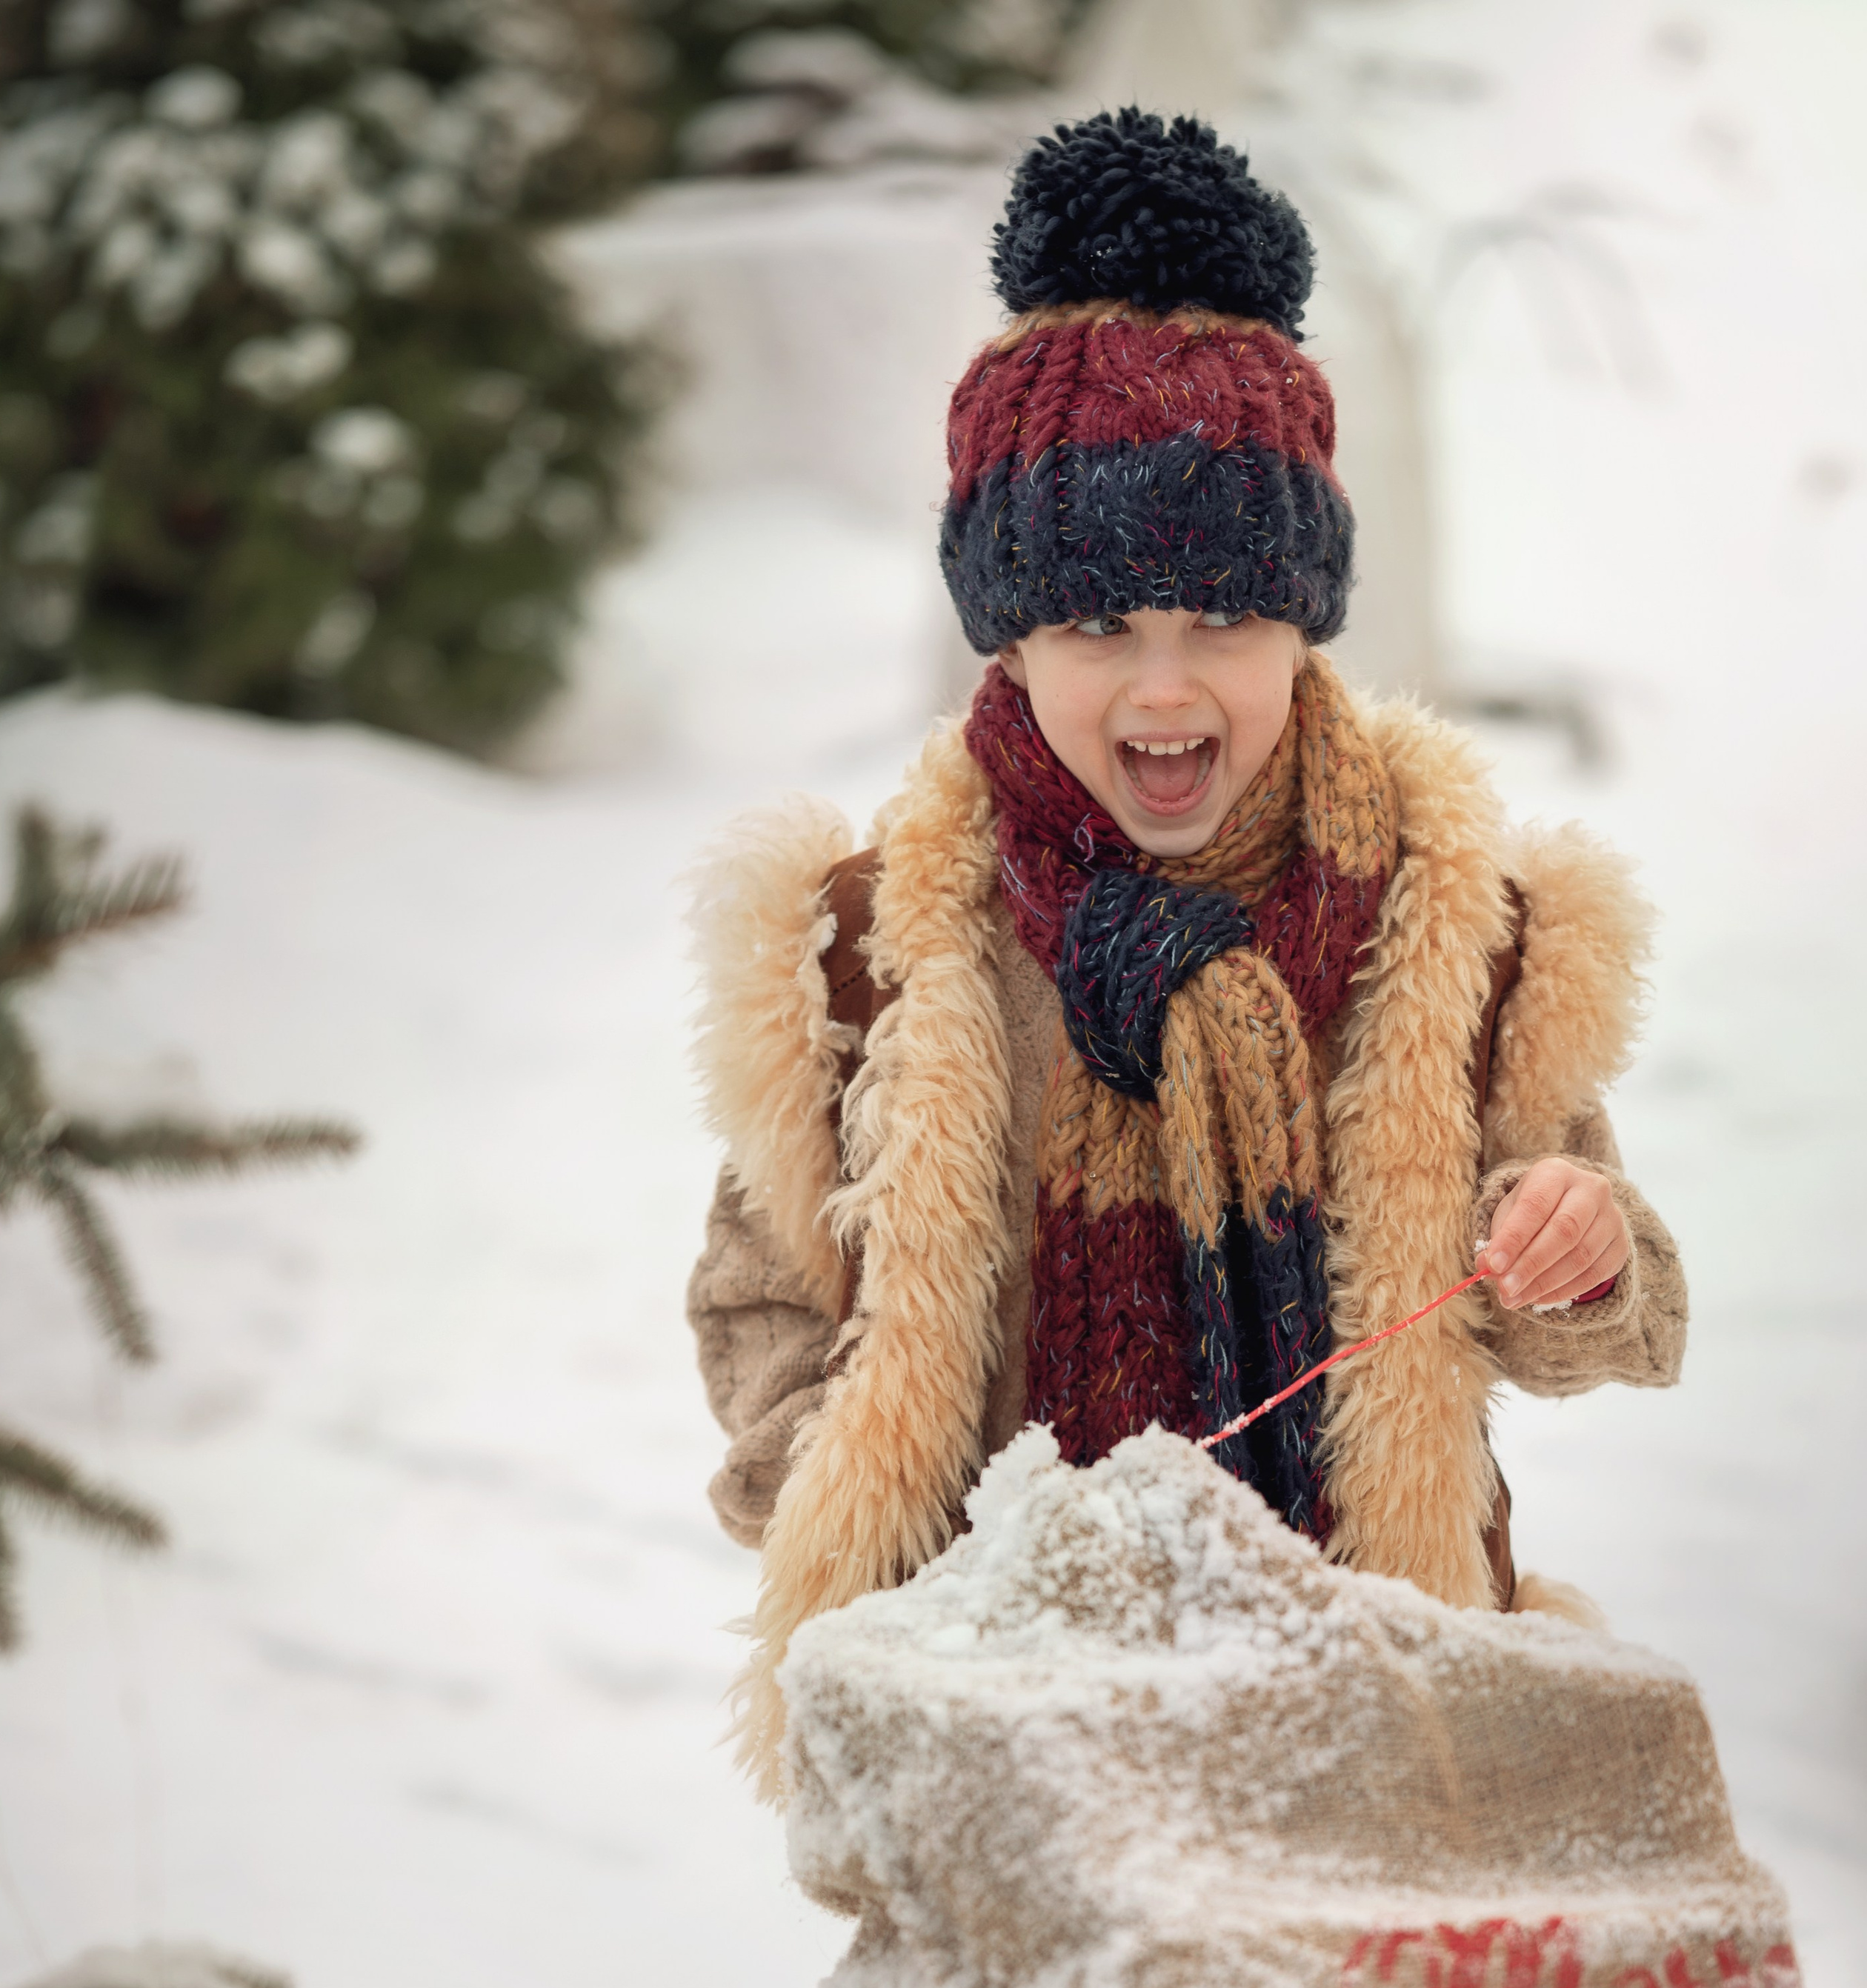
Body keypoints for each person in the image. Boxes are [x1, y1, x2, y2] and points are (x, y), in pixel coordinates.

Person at [686, 108, 1685, 1799]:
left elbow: (1618, 1319)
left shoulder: (1437, 931)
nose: (1164, 691)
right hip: (992, 1732)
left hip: (1368, 1707)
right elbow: (763, 1293)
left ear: (1302, 616)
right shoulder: (879, 951)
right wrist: (845, 1534)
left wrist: (1574, 1248)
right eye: (1097, 627)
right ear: (1008, 631)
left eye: (1221, 620)